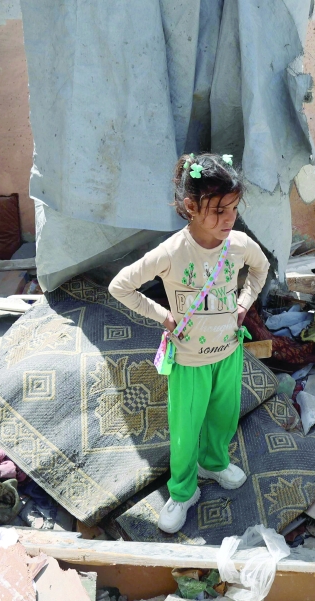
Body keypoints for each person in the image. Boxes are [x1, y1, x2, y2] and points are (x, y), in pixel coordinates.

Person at [109, 153, 269, 533]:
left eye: (233, 208)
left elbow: (261, 270)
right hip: (190, 360)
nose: (228, 219)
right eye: (217, 211)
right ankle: (182, 492)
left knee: (223, 418)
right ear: (191, 207)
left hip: (229, 353)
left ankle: (213, 464)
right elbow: (121, 286)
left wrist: (244, 304)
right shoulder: (171, 253)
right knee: (184, 430)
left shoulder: (240, 245)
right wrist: (164, 316)